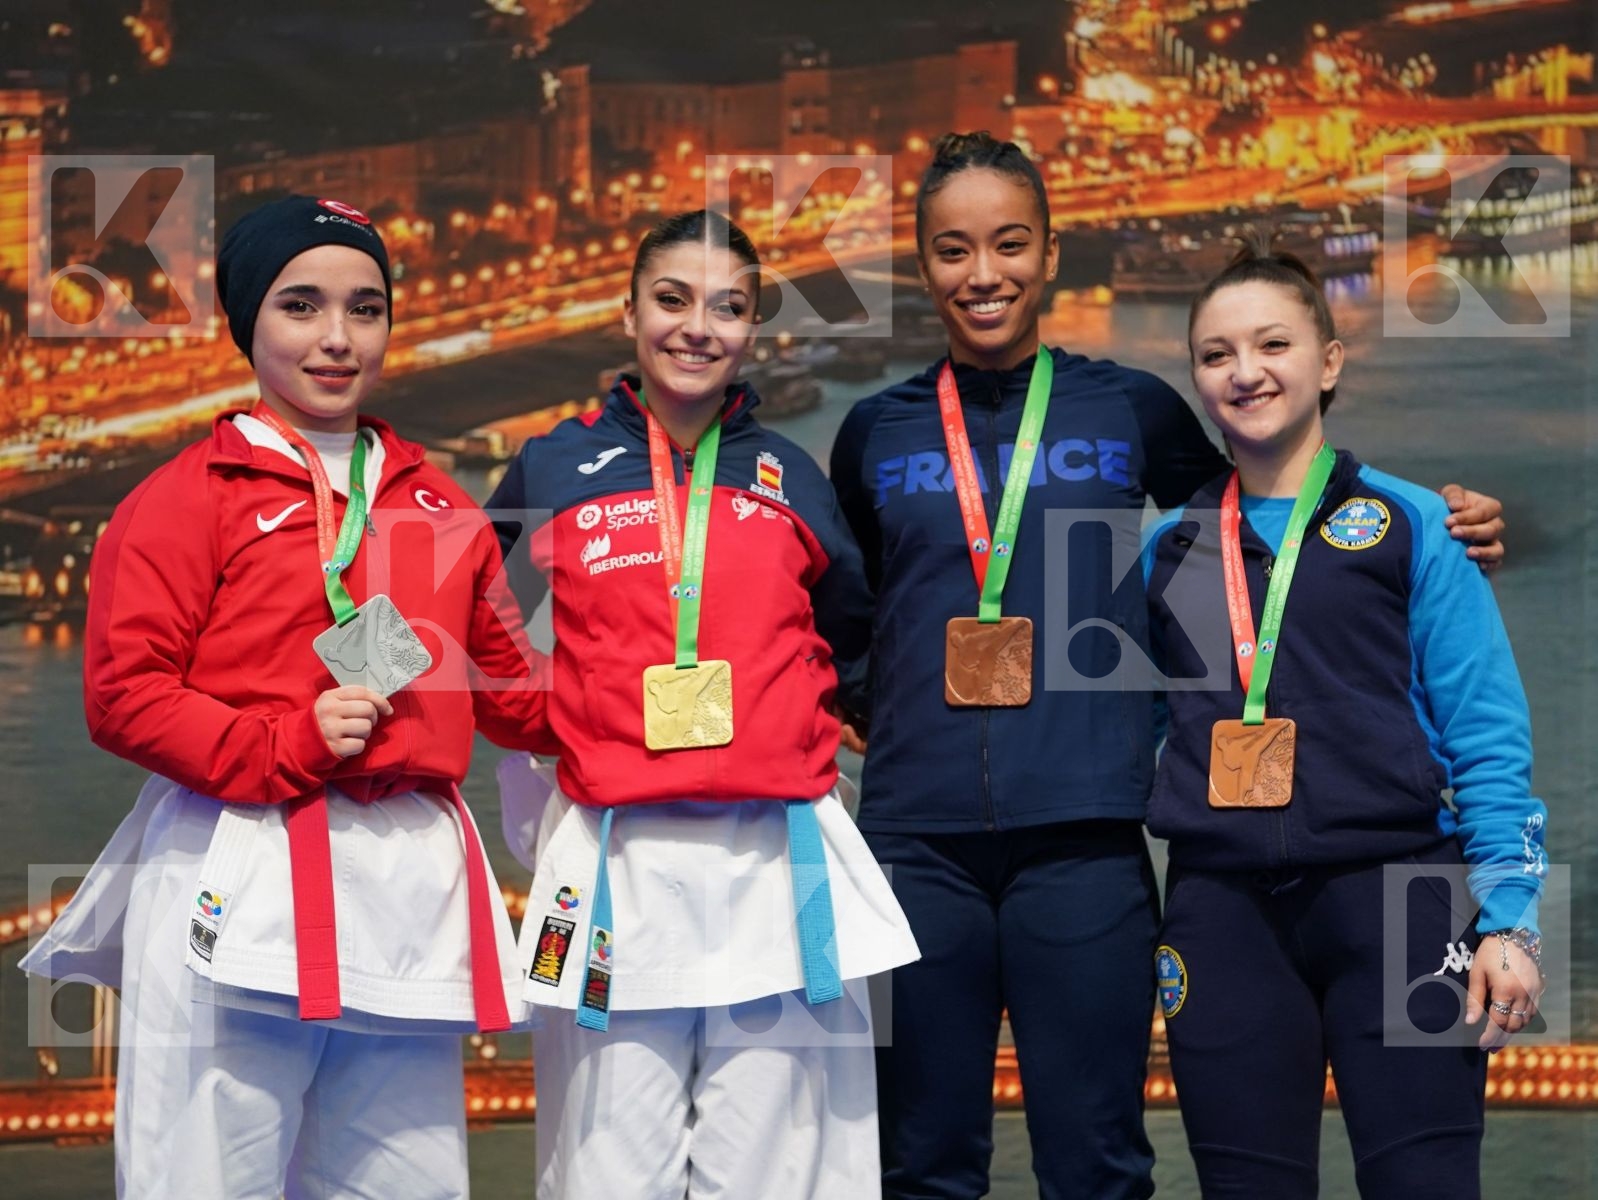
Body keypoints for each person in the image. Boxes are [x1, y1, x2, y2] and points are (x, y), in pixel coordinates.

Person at [826, 131, 1508, 1200]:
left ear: (1051, 255)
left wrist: (1432, 521)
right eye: (952, 250)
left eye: (1009, 244)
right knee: (917, 1163)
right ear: (921, 266)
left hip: (1090, 848)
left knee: (1098, 1165)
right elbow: (849, 611)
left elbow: (1262, 516)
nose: (983, 273)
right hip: (914, 844)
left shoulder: (1132, 409)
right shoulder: (871, 431)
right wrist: (883, 715)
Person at [21, 194, 557, 1199]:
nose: (337, 338)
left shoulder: (438, 506)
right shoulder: (185, 496)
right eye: (301, 307)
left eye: (365, 308)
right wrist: (278, 740)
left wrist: (701, 690)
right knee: (204, 1181)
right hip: (237, 866)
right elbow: (123, 694)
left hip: (404, 893)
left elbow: (515, 694)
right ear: (248, 324)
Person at [486, 209, 918, 1200]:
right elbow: (468, 631)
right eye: (672, 300)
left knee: (770, 1173)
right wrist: (557, 716)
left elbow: (852, 642)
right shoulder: (555, 466)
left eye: (727, 308)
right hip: (611, 865)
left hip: (775, 863)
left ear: (752, 329)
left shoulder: (792, 479)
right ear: (628, 311)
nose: (697, 327)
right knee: (606, 1171)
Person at [1142, 235, 1546, 1197]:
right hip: (1221, 910)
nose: (1246, 372)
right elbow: (1130, 739)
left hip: (1406, 900)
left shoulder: (1415, 525)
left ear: (1329, 362)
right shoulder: (1163, 548)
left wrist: (1515, 923)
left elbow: (1488, 737)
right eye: (1217, 354)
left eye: (1273, 344)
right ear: (1197, 380)